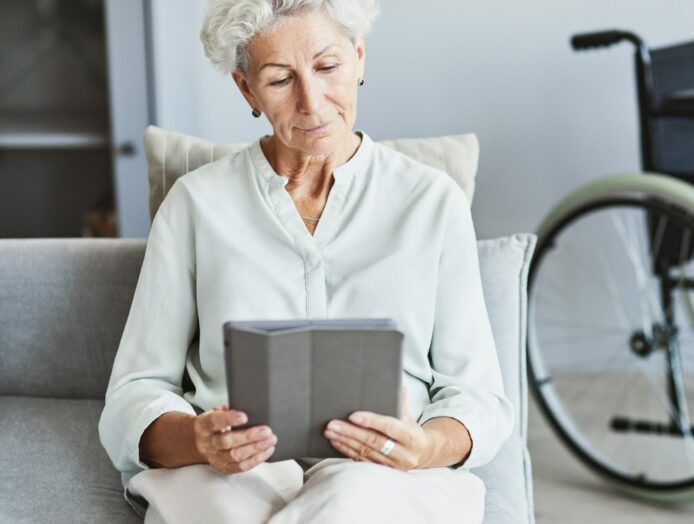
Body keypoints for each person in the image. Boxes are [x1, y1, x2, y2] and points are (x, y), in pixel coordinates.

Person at [97, 1, 513, 522]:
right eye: (279, 80)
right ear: (246, 89)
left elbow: (478, 398)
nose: (311, 103)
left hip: (384, 474)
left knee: (350, 503)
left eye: (328, 67)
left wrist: (425, 447)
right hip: (231, 474)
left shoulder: (432, 201)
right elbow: (136, 392)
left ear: (359, 58)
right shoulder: (195, 204)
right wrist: (199, 440)